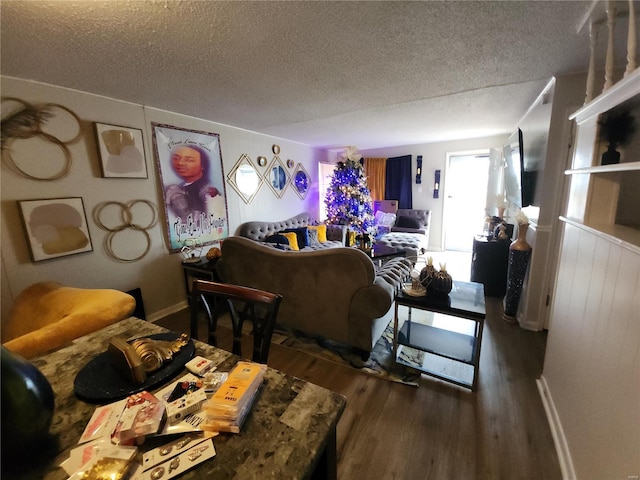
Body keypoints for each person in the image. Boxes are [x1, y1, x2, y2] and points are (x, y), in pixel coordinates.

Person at [165, 144, 220, 219]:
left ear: (202, 165)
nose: (180, 163)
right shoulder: (179, 187)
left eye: (189, 160)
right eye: (176, 158)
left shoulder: (207, 190)